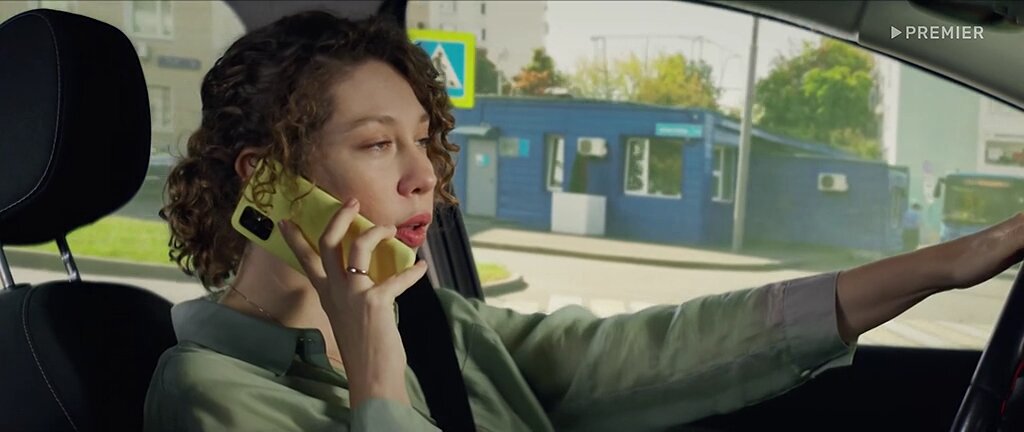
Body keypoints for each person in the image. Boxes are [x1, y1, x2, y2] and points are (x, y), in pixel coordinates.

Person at [144, 11, 1024, 431]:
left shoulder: (441, 328)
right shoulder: (208, 397)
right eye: (378, 145)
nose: (425, 178)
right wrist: (375, 372)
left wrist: (948, 265)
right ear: (267, 178)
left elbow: (657, 351)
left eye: (423, 141)